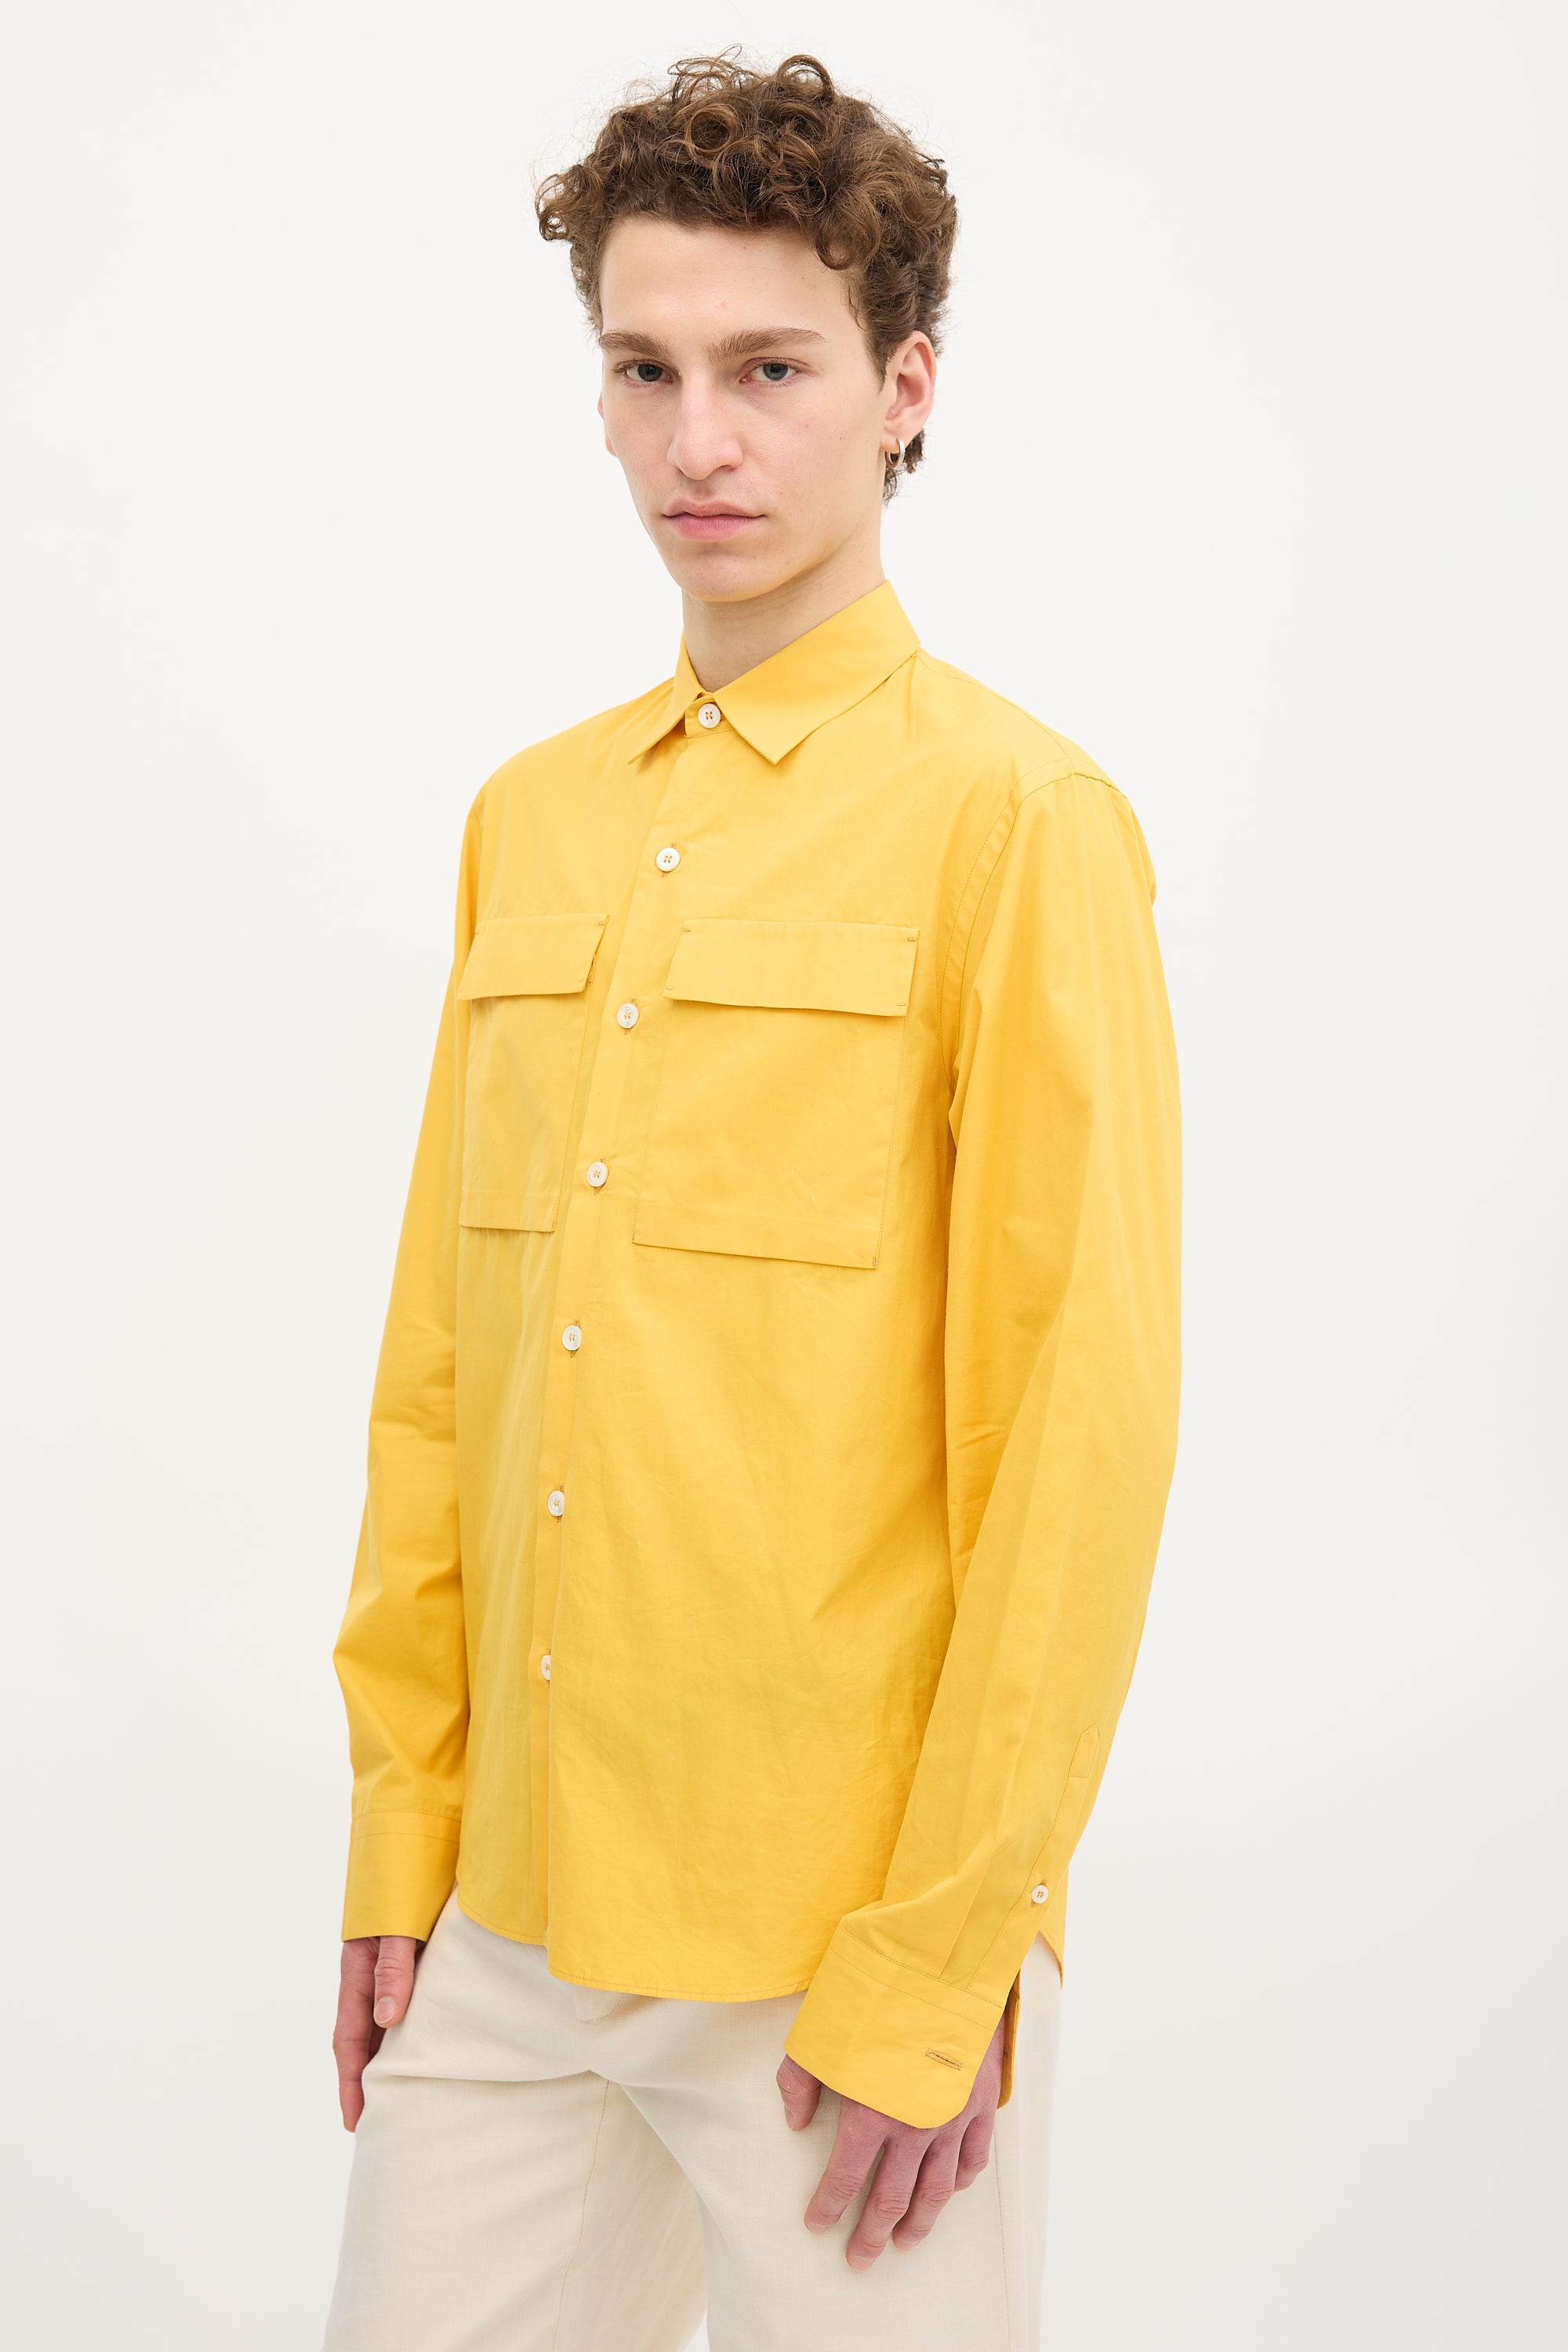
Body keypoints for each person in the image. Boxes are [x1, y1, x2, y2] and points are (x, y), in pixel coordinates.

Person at [322, 51, 1181, 2352]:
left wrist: (947, 1950)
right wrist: (403, 1832)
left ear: (905, 388)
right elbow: (441, 1380)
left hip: (837, 1959)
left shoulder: (1019, 824)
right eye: (646, 369)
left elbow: (1071, 1439)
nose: (698, 440)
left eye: (771, 370)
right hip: (510, 1923)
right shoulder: (531, 821)